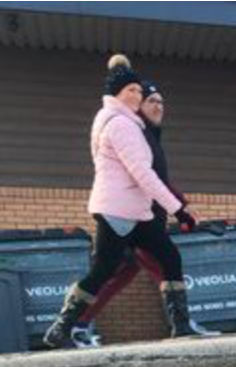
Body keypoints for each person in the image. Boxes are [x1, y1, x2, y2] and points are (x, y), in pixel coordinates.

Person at [43, 54, 204, 349]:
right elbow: (143, 173)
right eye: (132, 90)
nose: (137, 95)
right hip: (119, 211)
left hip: (132, 211)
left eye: (139, 91)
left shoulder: (117, 120)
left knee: (168, 256)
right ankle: (62, 326)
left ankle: (181, 325)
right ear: (117, 93)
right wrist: (179, 209)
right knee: (104, 270)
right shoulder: (121, 125)